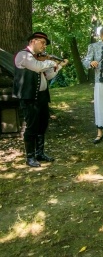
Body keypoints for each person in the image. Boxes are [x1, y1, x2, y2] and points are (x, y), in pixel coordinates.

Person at [13, 32, 69, 167]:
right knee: (31, 126)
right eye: (42, 43)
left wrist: (59, 66)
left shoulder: (38, 59)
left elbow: (48, 76)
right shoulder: (23, 55)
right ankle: (30, 157)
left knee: (42, 125)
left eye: (45, 44)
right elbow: (37, 67)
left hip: (42, 97)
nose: (44, 46)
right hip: (30, 97)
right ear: (33, 41)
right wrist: (52, 61)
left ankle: (40, 153)